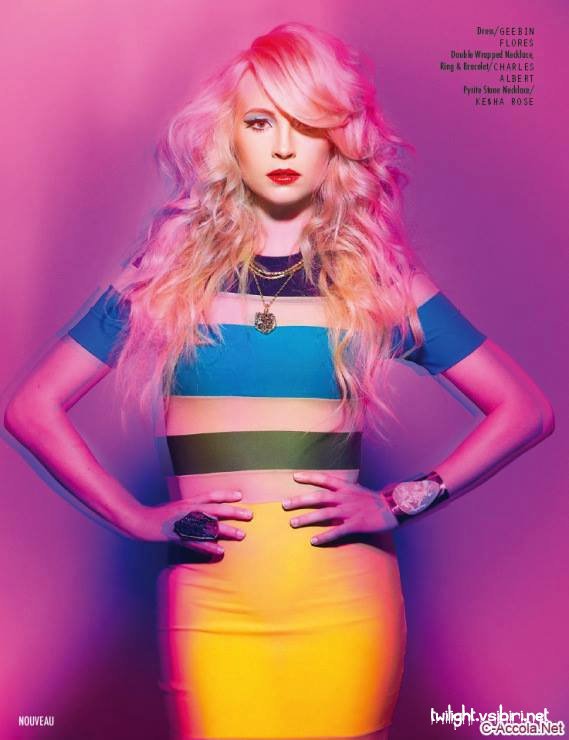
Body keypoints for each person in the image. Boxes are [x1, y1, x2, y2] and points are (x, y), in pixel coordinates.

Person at [4, 21, 555, 740]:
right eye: (261, 122)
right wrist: (134, 519)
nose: (285, 147)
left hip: (344, 610)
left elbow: (523, 408)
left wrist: (402, 500)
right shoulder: (166, 279)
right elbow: (32, 408)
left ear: (338, 141)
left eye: (307, 122)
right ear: (230, 138)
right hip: (212, 610)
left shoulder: (378, 283)